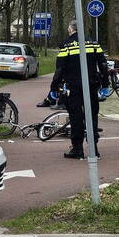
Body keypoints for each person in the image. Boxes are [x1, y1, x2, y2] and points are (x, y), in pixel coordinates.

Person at [50, 20, 108, 159]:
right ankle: (94, 150)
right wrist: (105, 84)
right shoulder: (93, 42)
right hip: (91, 84)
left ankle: (77, 149)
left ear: (71, 29)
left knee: (76, 117)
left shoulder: (66, 44)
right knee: (92, 116)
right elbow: (103, 64)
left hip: (74, 86)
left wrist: (54, 87)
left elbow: (60, 69)